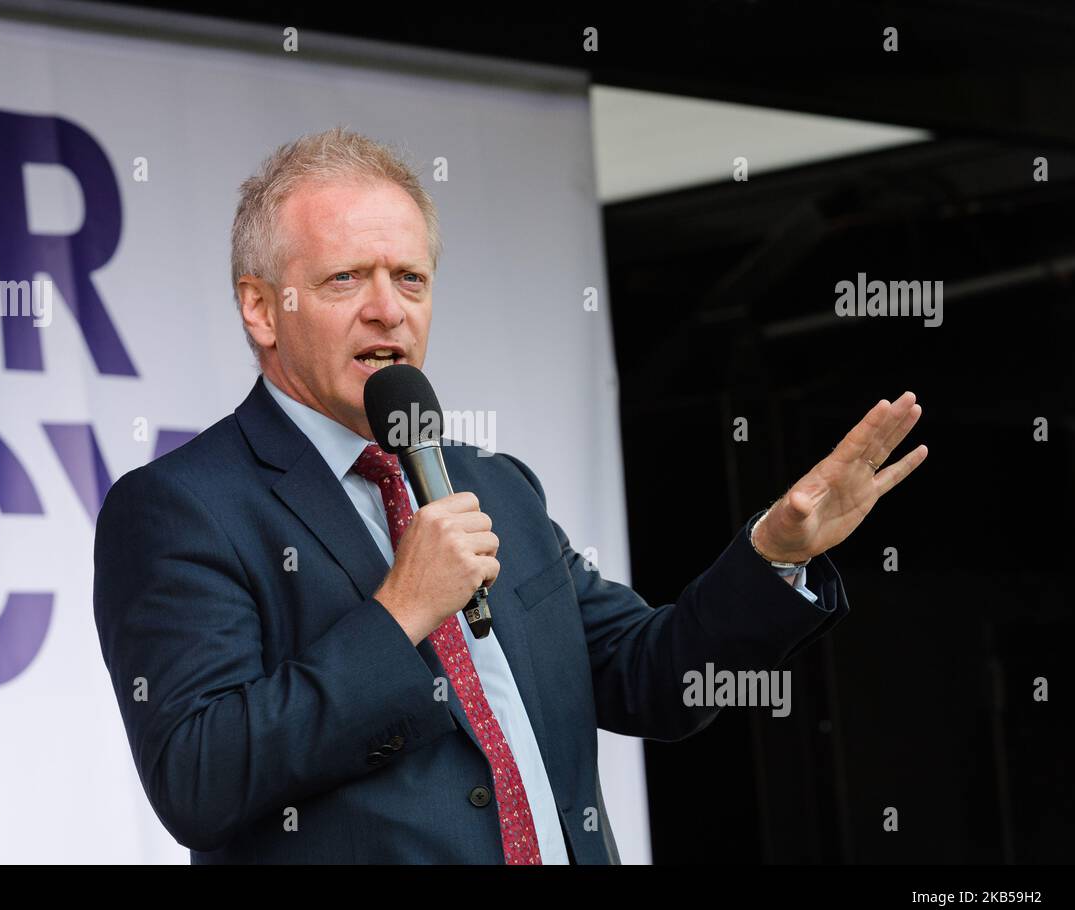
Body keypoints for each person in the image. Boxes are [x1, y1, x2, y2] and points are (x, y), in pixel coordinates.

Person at [92, 127, 928, 864]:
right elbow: (198, 777)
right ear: (261, 308)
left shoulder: (493, 484)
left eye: (411, 279)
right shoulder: (181, 508)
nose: (388, 310)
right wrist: (399, 614)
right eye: (347, 277)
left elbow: (649, 677)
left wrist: (773, 556)